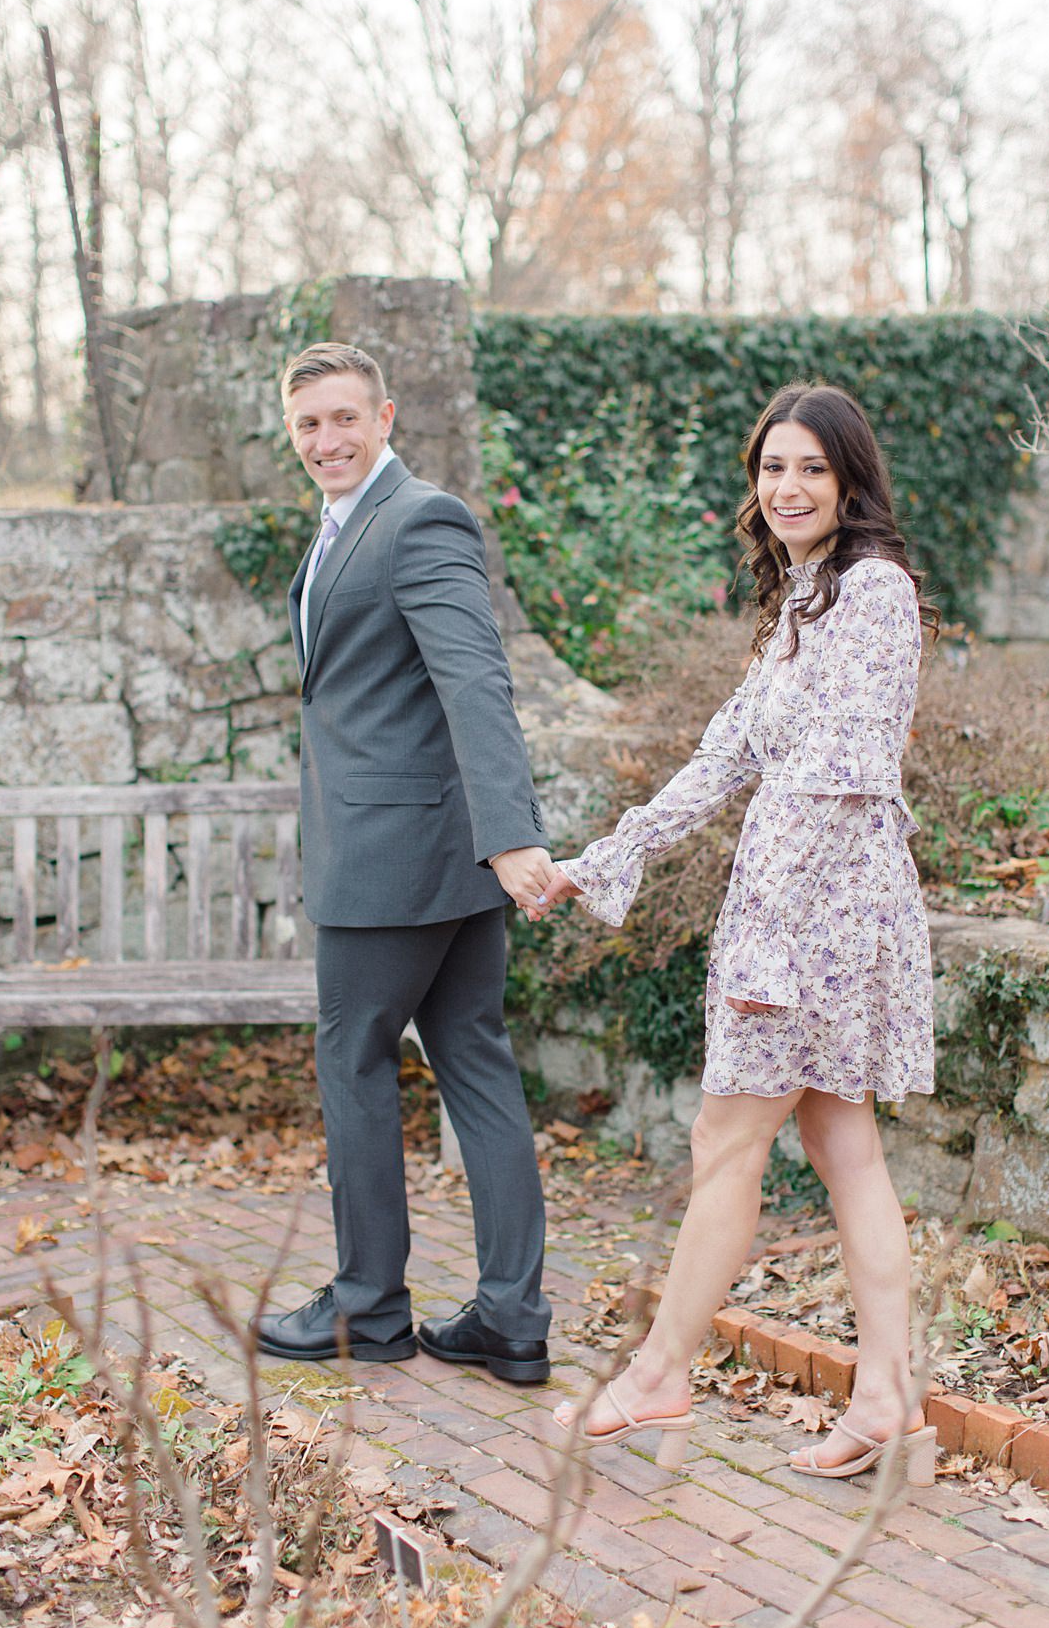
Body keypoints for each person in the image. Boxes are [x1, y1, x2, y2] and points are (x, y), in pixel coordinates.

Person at [537, 383, 939, 1483]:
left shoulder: (870, 592)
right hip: (803, 909)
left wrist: (768, 938)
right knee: (842, 1143)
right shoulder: (805, 603)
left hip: (817, 915)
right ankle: (887, 1397)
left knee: (727, 1140)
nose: (788, 488)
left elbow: (846, 778)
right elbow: (724, 759)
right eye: (773, 468)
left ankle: (659, 1373)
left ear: (850, 482)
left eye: (813, 468)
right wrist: (601, 860)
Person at [254, 342, 554, 1382]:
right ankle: (511, 1318)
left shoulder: (418, 518)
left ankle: (369, 1308)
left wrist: (511, 833)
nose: (327, 439)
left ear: (385, 418)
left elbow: (476, 679)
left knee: (356, 1065)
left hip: (393, 863)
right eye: (308, 424)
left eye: (345, 417)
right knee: (474, 1058)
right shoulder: (343, 525)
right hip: (433, 852)